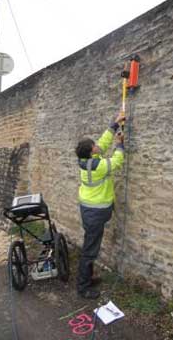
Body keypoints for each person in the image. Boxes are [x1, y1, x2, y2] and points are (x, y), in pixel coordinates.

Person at [75, 112, 125, 299]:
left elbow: (103, 144)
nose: (97, 146)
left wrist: (114, 125)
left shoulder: (85, 160)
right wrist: (120, 144)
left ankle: (88, 277)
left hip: (90, 210)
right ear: (91, 152)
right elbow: (117, 161)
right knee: (90, 249)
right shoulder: (97, 166)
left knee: (91, 244)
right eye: (94, 146)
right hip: (95, 212)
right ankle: (83, 286)